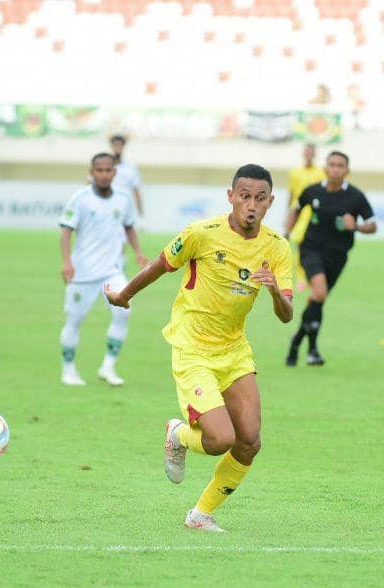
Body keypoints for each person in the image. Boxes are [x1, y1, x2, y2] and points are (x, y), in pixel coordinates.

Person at [104, 164, 293, 532]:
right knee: (221, 438)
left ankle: (201, 514)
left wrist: (273, 291)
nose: (251, 205)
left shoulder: (277, 247)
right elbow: (161, 265)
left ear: (270, 202)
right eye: (244, 196)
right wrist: (124, 296)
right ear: (230, 197)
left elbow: (287, 315)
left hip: (234, 350)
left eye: (259, 198)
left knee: (250, 441)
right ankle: (177, 434)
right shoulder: (201, 234)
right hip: (193, 347)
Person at [59, 153, 147, 387]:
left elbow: (129, 227)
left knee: (124, 312)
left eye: (108, 170)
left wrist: (138, 252)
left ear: (114, 173)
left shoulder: (123, 198)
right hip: (83, 274)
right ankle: (68, 370)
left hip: (111, 271)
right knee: (75, 320)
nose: (104, 174)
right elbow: (66, 230)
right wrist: (67, 262)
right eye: (99, 170)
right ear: (91, 172)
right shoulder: (80, 199)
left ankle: (108, 366)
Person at [283, 151, 376, 366]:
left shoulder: (355, 196)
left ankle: (297, 340)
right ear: (326, 168)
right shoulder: (313, 191)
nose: (335, 168)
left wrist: (358, 227)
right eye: (332, 164)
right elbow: (295, 210)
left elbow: (372, 224)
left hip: (338, 255)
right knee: (320, 292)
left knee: (317, 299)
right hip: (310, 249)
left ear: (347, 171)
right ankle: (313, 351)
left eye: (340, 165)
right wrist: (286, 233)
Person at [284, 144, 327, 292]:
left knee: (316, 247)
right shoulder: (295, 172)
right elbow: (291, 193)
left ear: (315, 154)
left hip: (316, 214)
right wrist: (288, 215)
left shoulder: (321, 172)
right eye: (306, 151)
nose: (308, 154)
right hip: (299, 214)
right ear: (303, 153)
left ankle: (313, 275)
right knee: (299, 243)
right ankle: (302, 278)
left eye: (311, 151)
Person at [109, 135, 144, 219]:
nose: (117, 148)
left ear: (123, 147)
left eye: (120, 145)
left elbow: (136, 191)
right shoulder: (103, 167)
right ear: (111, 147)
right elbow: (89, 185)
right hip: (107, 206)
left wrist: (140, 211)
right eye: (115, 145)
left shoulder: (131, 168)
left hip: (124, 208)